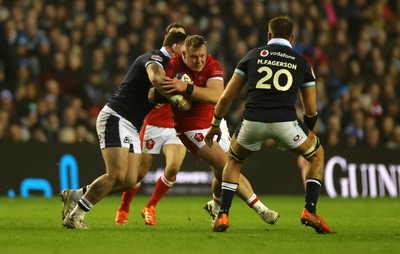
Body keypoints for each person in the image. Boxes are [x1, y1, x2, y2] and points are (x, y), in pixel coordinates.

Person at [205, 16, 332, 234]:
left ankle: (223, 215)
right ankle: (310, 209)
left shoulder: (252, 56)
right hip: (286, 122)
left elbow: (226, 97)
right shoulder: (302, 63)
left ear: (269, 36)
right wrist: (308, 131)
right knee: (317, 153)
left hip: (252, 121)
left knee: (233, 163)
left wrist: (216, 123)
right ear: (292, 37)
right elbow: (311, 109)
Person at [60, 30, 189, 229]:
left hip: (132, 125)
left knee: (130, 180)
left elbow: (153, 93)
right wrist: (178, 95)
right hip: (116, 117)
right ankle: (76, 215)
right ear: (175, 48)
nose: (186, 54)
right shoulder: (154, 58)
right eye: (184, 49)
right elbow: (156, 77)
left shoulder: (169, 67)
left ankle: (76, 194)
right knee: (115, 175)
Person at [156, 34, 279, 227]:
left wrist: (186, 88)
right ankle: (260, 209)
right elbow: (155, 91)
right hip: (190, 129)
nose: (199, 61)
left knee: (221, 172)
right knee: (227, 164)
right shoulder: (172, 66)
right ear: (184, 55)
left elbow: (216, 95)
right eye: (194, 57)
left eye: (202, 56)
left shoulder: (212, 65)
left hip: (214, 123)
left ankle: (215, 203)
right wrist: (173, 97)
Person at [114, 22, 188, 226]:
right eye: (181, 40)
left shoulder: (188, 64)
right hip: (154, 123)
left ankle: (151, 206)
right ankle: (124, 207)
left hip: (174, 125)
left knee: (173, 167)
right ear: (172, 41)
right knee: (138, 174)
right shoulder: (156, 61)